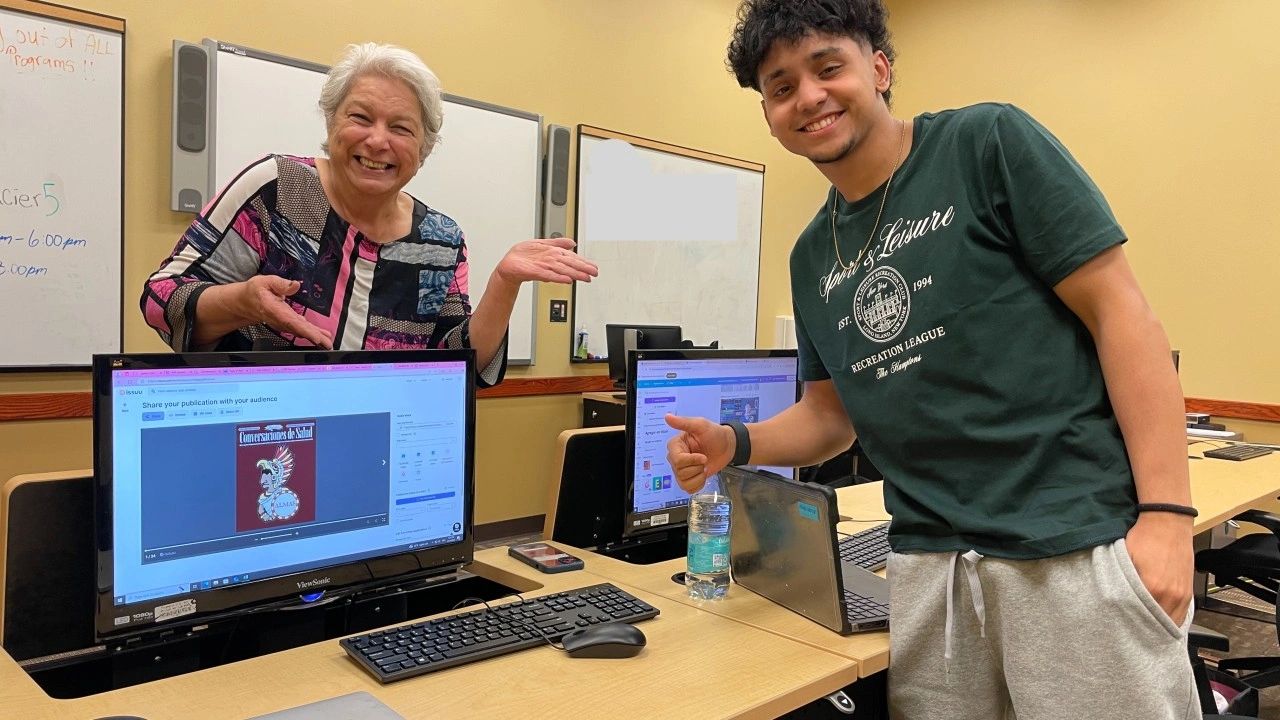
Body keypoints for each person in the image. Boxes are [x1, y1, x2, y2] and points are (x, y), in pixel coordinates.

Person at [665, 2, 1197, 717]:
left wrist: (1167, 520)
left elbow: (1122, 314)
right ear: (769, 114)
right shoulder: (811, 255)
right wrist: (737, 443)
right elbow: (832, 416)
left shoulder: (987, 143)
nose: (809, 97)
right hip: (930, 567)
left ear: (879, 68)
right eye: (782, 86)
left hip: (1070, 544)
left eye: (829, 67)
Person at [140, 43, 597, 386]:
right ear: (331, 122)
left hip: (378, 442)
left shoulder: (440, 239)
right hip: (258, 433)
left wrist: (504, 282)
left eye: (401, 128)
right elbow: (162, 298)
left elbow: (458, 366)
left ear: (424, 149)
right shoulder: (275, 189)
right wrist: (240, 302)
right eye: (360, 117)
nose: (378, 141)